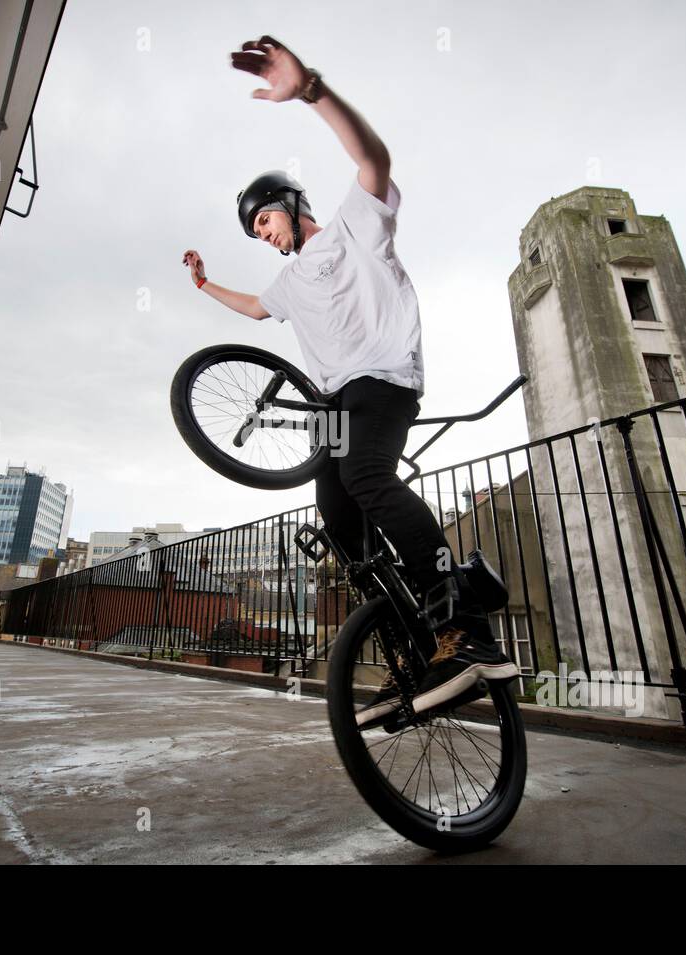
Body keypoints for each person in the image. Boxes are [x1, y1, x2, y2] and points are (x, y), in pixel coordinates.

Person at [181, 36, 516, 721]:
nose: (264, 234)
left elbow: (373, 159)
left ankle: (467, 624)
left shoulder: (352, 228)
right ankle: (418, 649)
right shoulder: (287, 279)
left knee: (367, 476)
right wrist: (205, 282)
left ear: (289, 201)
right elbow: (254, 307)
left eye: (265, 220)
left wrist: (312, 92)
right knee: (340, 521)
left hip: (383, 380)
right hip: (333, 402)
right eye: (255, 232)